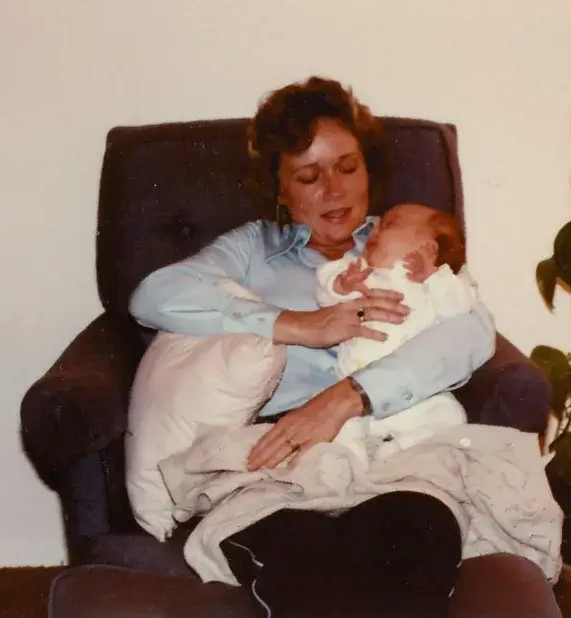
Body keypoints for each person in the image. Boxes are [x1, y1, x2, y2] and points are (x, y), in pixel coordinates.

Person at [129, 76, 498, 618]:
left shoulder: (410, 245)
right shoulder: (254, 249)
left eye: (348, 168)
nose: (335, 190)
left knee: (420, 536)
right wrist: (298, 325)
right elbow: (153, 295)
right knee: (305, 564)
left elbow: (474, 331)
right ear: (281, 190)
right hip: (282, 453)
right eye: (309, 176)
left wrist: (351, 396)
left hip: (391, 443)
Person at [315, 202, 482, 466]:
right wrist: (342, 284)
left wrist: (434, 276)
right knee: (337, 422)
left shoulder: (436, 287)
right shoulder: (361, 272)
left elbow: (461, 309)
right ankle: (351, 459)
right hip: (353, 390)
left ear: (428, 248)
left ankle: (400, 449)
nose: (374, 231)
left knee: (451, 415)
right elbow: (326, 290)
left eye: (388, 225)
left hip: (414, 399)